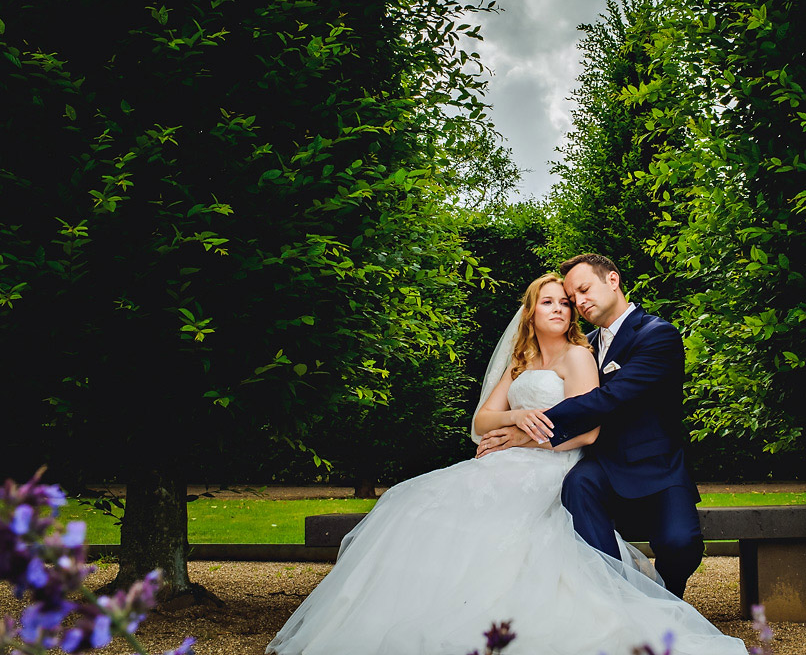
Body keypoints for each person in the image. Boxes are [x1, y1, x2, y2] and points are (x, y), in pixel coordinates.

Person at [266, 273, 746, 655]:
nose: (562, 307)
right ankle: (432, 611)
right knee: (419, 503)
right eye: (549, 301)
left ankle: (604, 605)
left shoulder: (582, 356)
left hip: (556, 462)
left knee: (526, 522)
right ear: (530, 311)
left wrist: (521, 436)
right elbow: (481, 422)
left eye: (567, 301)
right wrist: (514, 417)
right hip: (506, 462)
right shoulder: (522, 362)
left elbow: (589, 429)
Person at [476, 254, 703, 599]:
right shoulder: (585, 344)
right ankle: (614, 596)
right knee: (577, 485)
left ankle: (667, 601)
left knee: (681, 543)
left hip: (655, 465)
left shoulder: (657, 335)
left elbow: (609, 398)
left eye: (583, 290)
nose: (578, 302)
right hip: (600, 463)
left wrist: (524, 432)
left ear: (612, 280)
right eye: (573, 298)